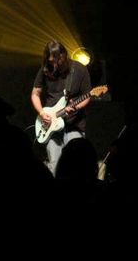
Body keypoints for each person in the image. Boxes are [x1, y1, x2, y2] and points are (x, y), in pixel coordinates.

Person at [31, 40, 92, 175]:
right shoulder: (45, 69)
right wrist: (41, 113)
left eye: (57, 61)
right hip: (49, 123)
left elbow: (88, 96)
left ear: (64, 55)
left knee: (76, 164)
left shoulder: (80, 69)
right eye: (51, 61)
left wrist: (75, 107)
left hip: (73, 124)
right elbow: (35, 94)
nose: (55, 65)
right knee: (55, 165)